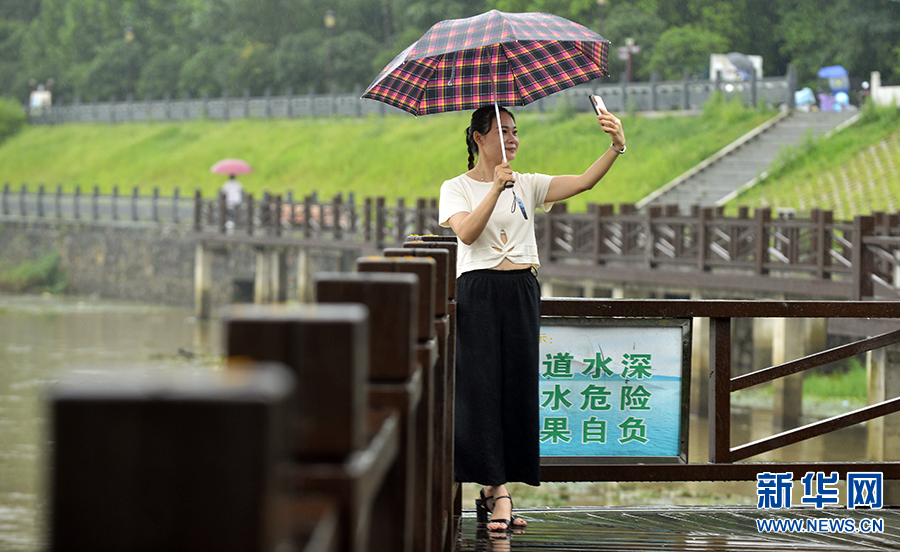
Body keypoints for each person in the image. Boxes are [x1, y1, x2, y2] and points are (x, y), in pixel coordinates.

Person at [439, 105, 626, 533]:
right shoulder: (455, 188)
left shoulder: (528, 184)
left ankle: (495, 489)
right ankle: (497, 489)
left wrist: (616, 147)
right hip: (478, 293)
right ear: (478, 138)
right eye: (502, 131)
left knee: (518, 388)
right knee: (482, 389)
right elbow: (466, 233)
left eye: (516, 131)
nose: (512, 139)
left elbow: (580, 182)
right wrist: (495, 189)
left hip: (521, 289)